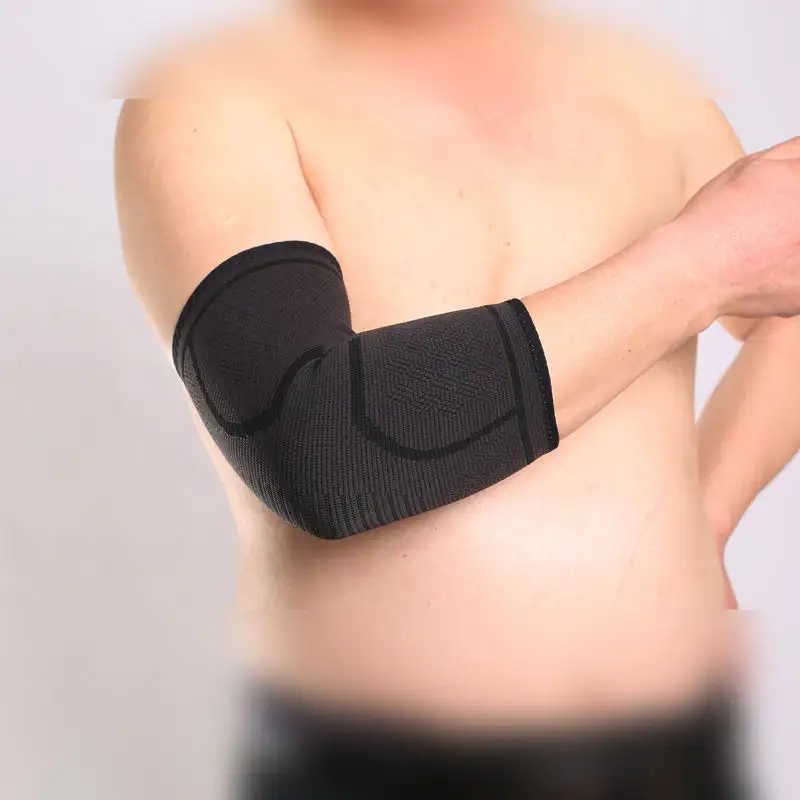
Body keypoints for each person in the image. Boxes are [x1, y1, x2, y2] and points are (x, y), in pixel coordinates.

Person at [114, 1, 800, 796]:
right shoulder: (211, 98)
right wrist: (697, 266)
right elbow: (316, 444)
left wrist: (707, 517)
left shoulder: (660, 99)